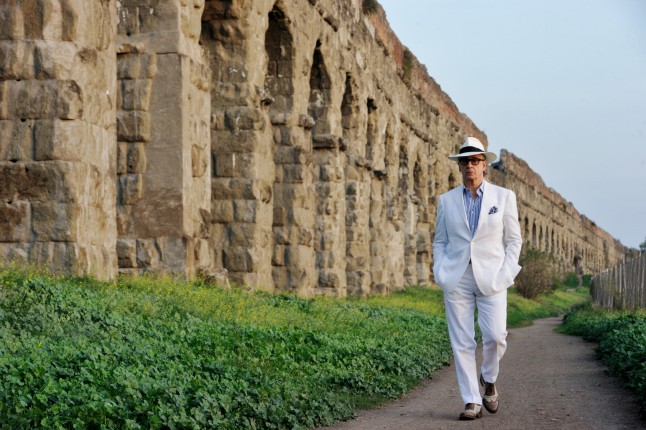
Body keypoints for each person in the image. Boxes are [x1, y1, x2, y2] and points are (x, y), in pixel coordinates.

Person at [432, 136, 522, 420]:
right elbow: (440, 240)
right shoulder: (446, 201)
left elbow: (514, 240)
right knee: (462, 341)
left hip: (492, 277)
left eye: (475, 161)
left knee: (496, 336)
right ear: (459, 166)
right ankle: (472, 400)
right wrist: (439, 269)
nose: (469, 165)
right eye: (465, 161)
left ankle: (489, 378)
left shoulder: (504, 197)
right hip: (457, 276)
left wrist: (506, 273)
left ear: (485, 165)